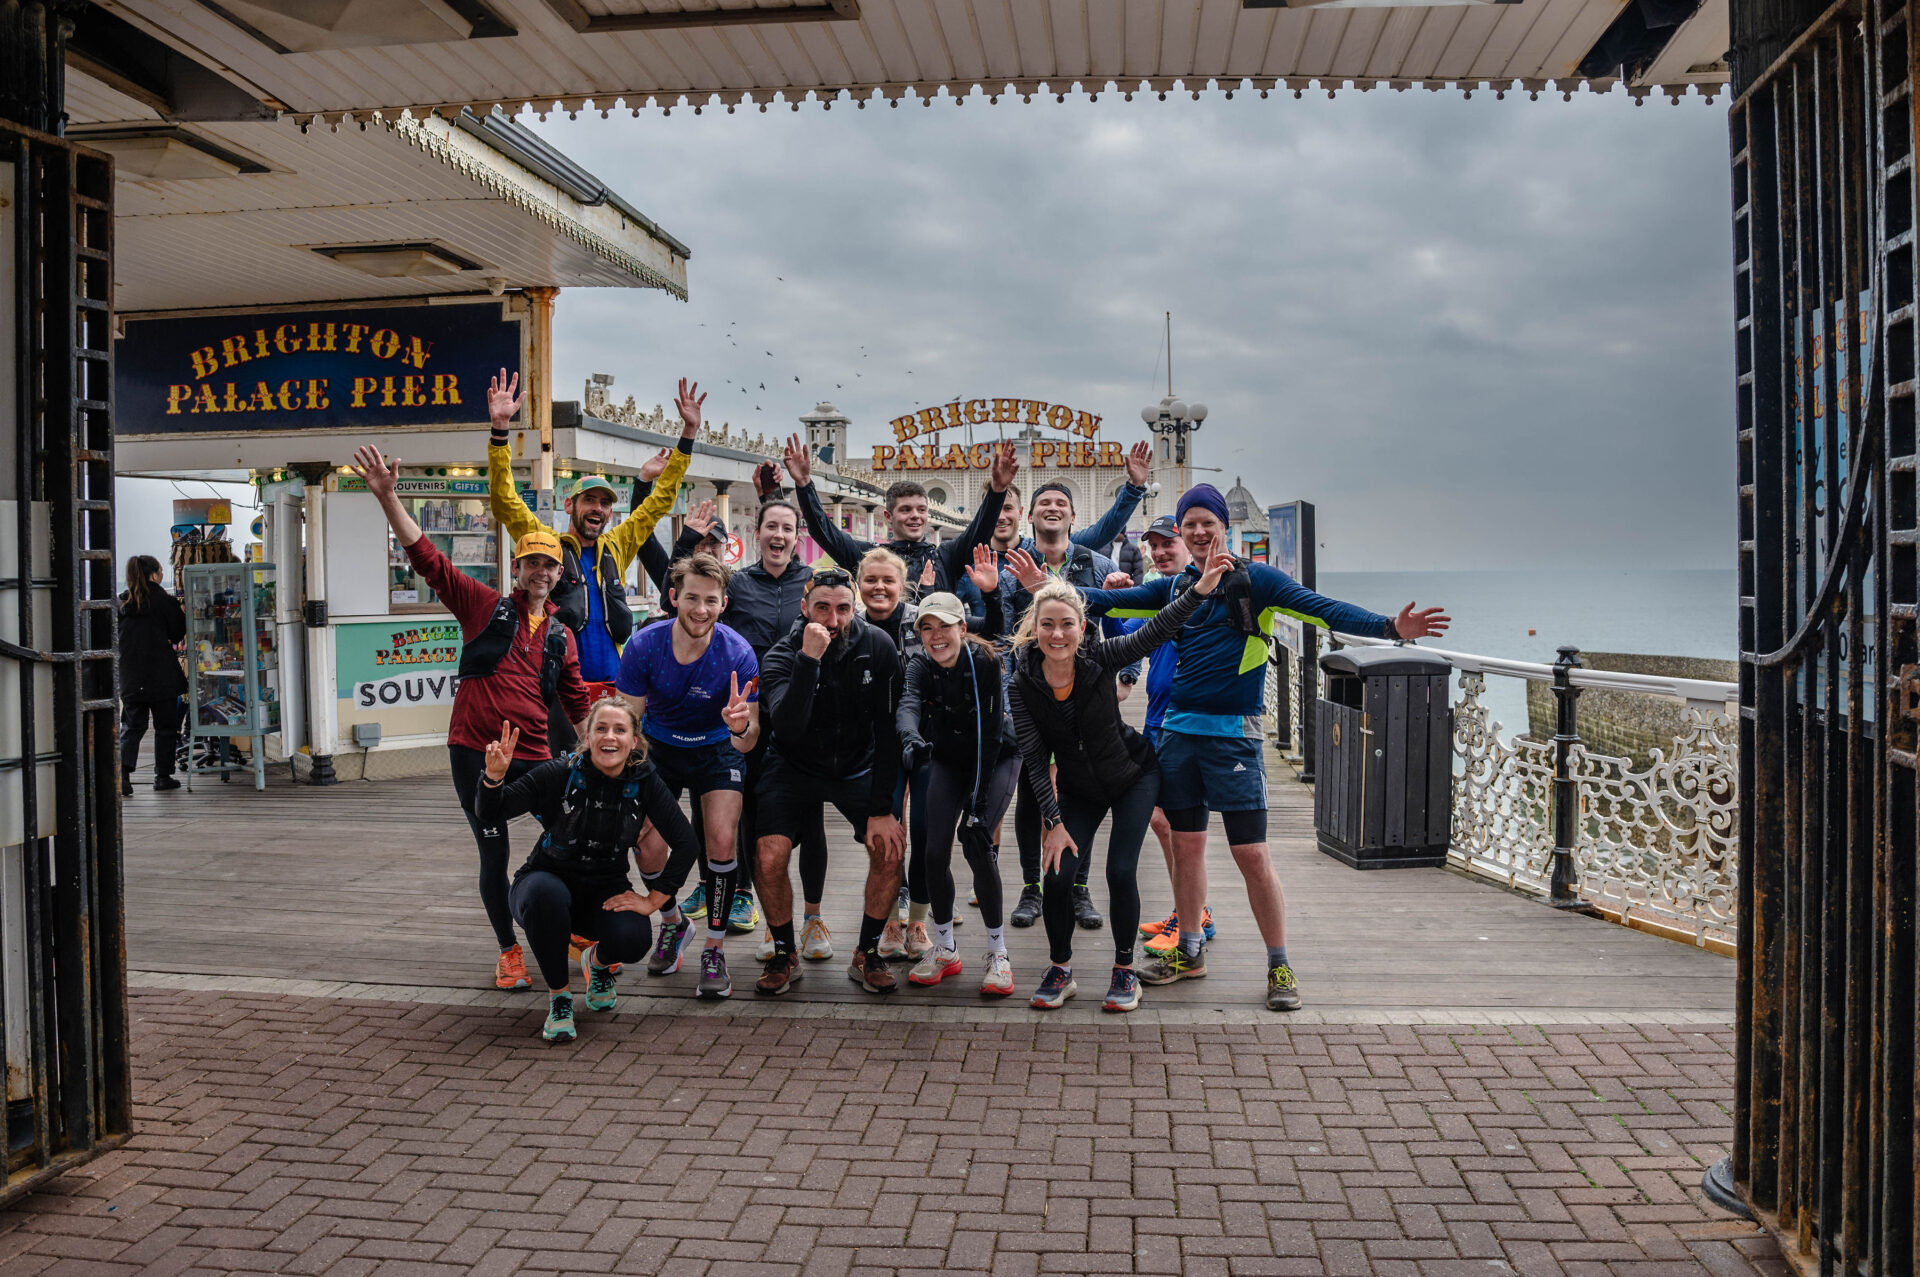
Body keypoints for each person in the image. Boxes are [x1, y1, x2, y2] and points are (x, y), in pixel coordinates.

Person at [1081, 483, 1450, 1011]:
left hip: (1236, 735)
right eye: (1191, 525)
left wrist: (1391, 628)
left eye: (1208, 523)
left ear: (1222, 528)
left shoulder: (1258, 582)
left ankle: (1279, 964)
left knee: (1251, 853)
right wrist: (1037, 583)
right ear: (1182, 532)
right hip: (1179, 734)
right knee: (1186, 847)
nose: (1199, 532)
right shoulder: (1176, 588)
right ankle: (1190, 950)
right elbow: (1108, 601)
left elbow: (1323, 610)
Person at [352, 443, 592, 993]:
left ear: (558, 573)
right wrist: (389, 499)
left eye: (549, 563)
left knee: (573, 838)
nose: (541, 570)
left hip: (534, 757)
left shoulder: (562, 636)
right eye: (532, 561)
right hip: (475, 754)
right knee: (494, 851)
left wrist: (603, 749)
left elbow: (580, 705)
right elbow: (428, 559)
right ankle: (509, 950)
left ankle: (572, 924)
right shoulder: (484, 606)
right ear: (517, 567)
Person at [1006, 547, 1234, 1010]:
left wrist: (1201, 589)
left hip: (1133, 774)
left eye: (1067, 624)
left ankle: (1124, 971)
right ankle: (1061, 967)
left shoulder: (1102, 658)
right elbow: (1033, 757)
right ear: (1034, 629)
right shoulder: (1022, 682)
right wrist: (1053, 822)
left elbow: (1158, 628)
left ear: (1082, 628)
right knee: (1058, 875)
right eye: (1046, 624)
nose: (1057, 633)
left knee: (1120, 870)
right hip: (1078, 788)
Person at [473, 699, 707, 1042]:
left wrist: (653, 901)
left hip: (603, 890)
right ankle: (560, 999)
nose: (609, 737)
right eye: (601, 728)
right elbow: (492, 813)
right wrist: (492, 778)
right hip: (545, 881)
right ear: (588, 737)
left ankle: (597, 965)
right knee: (545, 896)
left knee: (635, 938)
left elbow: (687, 843)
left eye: (619, 729)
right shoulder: (560, 773)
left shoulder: (645, 780)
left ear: (633, 740)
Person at [488, 371, 701, 748]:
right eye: (590, 500)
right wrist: (500, 430)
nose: (598, 509)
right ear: (570, 504)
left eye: (605, 503)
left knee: (617, 771)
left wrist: (687, 437)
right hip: (560, 688)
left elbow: (658, 503)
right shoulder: (546, 546)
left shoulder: (617, 545)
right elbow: (505, 501)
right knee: (562, 773)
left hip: (616, 688)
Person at [752, 566, 908, 996]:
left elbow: (889, 729)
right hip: (793, 763)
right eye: (822, 608)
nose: (833, 620)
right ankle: (785, 952)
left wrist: (882, 809)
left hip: (858, 765)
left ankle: (868, 951)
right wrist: (808, 660)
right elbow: (787, 726)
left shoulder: (877, 645)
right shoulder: (784, 654)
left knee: (890, 848)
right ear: (804, 609)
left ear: (854, 609)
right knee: (768, 855)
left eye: (843, 609)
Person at [615, 552, 761, 999]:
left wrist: (739, 724)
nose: (701, 609)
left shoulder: (738, 652)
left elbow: (748, 742)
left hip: (717, 748)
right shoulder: (644, 644)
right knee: (648, 844)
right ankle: (674, 924)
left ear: (723, 603)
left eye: (711, 601)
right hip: (659, 747)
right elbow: (628, 726)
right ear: (675, 597)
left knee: (720, 839)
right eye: (692, 598)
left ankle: (714, 949)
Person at [1001, 480, 1142, 934]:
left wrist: (1126, 676)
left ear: (1073, 518)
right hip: (1035, 697)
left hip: (1091, 700)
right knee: (1031, 788)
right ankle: (1031, 887)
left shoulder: (1098, 564)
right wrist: (1011, 693)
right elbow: (1006, 637)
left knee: (1085, 790)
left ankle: (1078, 887)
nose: (1053, 509)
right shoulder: (1014, 568)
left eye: (1062, 503)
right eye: (1044, 503)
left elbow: (1126, 621)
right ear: (1031, 516)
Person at [895, 549, 1018, 995]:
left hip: (997, 756)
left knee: (976, 841)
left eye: (943, 627)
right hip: (947, 756)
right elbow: (907, 704)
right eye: (926, 628)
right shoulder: (920, 664)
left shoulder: (982, 661)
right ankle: (945, 948)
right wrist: (910, 737)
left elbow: (989, 736)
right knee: (931, 853)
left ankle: (998, 953)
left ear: (962, 629)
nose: (934, 636)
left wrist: (980, 802)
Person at [1126, 515, 1216, 956]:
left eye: (1168, 543)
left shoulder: (1192, 595)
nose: (1160, 552)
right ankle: (1193, 910)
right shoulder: (1161, 594)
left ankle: (1193, 916)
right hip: (1157, 721)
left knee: (1175, 826)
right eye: (1154, 547)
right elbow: (1121, 637)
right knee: (1165, 824)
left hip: (1180, 725)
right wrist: (1118, 594)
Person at [782, 434, 1015, 598]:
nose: (915, 516)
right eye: (906, 510)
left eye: (921, 510)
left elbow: (979, 532)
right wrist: (804, 485)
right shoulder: (870, 557)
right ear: (888, 517)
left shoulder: (946, 556)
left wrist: (997, 491)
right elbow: (824, 532)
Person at [117, 554, 186, 794]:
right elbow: (178, 633)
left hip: (130, 676)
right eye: (160, 570)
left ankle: (123, 777)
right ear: (154, 575)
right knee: (165, 726)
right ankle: (163, 776)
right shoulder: (165, 602)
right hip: (161, 675)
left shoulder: (121, 603)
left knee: (133, 725)